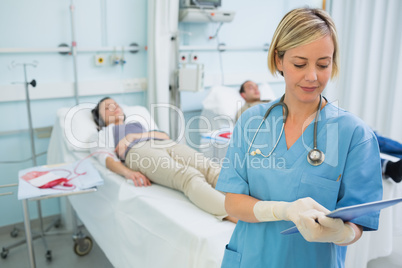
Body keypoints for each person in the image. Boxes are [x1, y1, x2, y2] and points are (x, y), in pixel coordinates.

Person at [216, 7, 382, 267]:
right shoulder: (252, 122)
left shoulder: (354, 135)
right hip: (248, 259)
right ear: (279, 60)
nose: (312, 77)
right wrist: (283, 210)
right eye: (300, 64)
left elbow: (358, 222)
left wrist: (341, 232)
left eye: (323, 64)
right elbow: (233, 204)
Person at [90, 97, 237, 223]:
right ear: (100, 119)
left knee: (210, 168)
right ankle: (235, 215)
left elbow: (164, 136)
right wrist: (127, 172)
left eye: (115, 104)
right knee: (188, 176)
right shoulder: (103, 133)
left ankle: (248, 201)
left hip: (167, 144)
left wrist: (131, 136)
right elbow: (106, 158)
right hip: (138, 151)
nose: (114, 107)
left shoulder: (138, 124)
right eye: (107, 107)